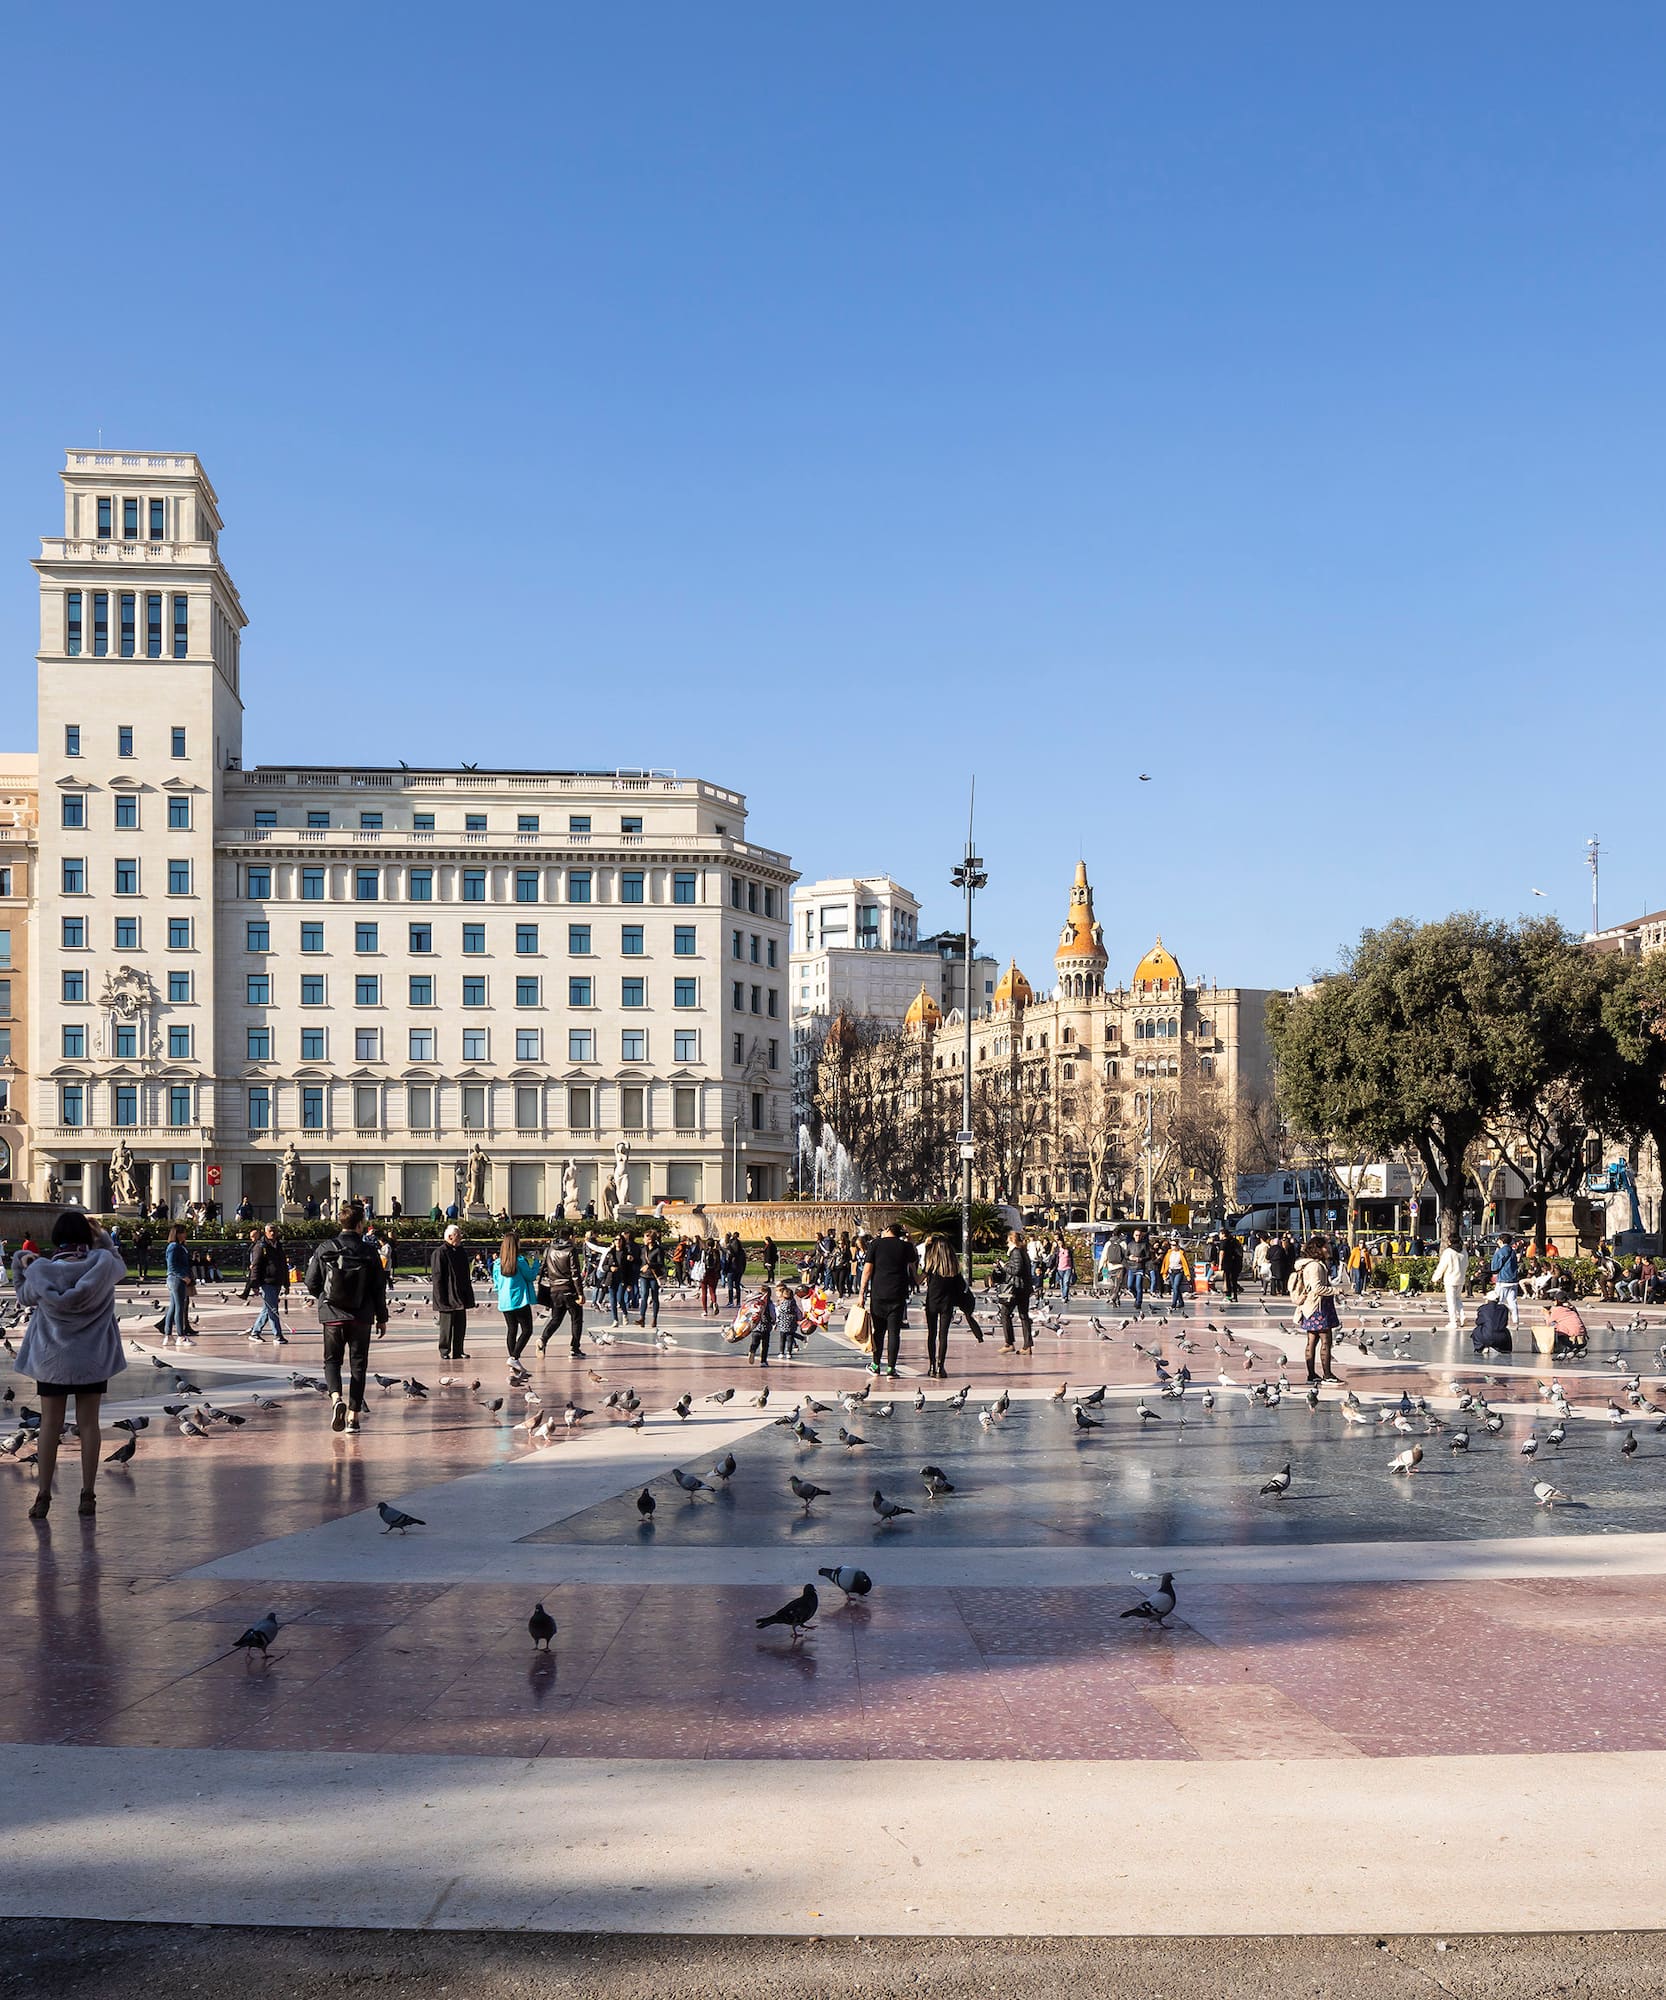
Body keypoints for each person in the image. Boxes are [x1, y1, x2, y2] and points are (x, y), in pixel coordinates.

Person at [14, 1213, 127, 1520]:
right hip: (91, 1358)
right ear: (87, 1238)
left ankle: (43, 1495)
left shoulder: (41, 1271)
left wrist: (22, 1261)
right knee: (89, 1424)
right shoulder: (103, 1266)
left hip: (52, 1360)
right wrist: (102, 1236)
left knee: (50, 1425)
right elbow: (119, 1262)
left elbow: (23, 1296)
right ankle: (88, 1494)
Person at [304, 1201, 389, 1434]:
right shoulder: (369, 1252)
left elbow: (310, 1281)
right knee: (358, 1365)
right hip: (361, 1316)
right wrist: (382, 1317)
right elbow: (378, 1288)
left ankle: (335, 1399)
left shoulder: (325, 1248)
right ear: (360, 1225)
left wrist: (325, 1297)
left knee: (332, 1361)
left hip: (332, 1315)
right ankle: (353, 1416)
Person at [858, 1221, 918, 1378]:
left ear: (888, 1230)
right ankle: (891, 1368)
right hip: (898, 1294)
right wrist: (909, 1239)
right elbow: (914, 1262)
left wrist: (861, 1293)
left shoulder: (876, 1244)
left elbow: (867, 1271)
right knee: (894, 1333)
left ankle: (876, 1365)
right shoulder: (905, 1247)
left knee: (878, 1331)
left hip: (879, 1293)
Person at [921, 1233, 979, 1378]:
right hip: (947, 1305)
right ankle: (941, 1367)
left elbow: (919, 1277)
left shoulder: (931, 1267)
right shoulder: (953, 1269)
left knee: (931, 1334)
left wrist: (928, 1245)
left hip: (932, 1303)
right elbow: (961, 1288)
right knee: (943, 1335)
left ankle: (932, 1366)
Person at [1290, 1235, 1340, 1385]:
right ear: (1318, 1249)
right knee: (1326, 1340)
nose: (1328, 1248)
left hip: (1309, 1308)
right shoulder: (1315, 1266)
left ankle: (1312, 1375)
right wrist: (1336, 1291)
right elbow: (1317, 1288)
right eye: (1325, 1246)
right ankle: (1327, 1375)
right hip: (1318, 1307)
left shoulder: (1307, 1265)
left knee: (1312, 1340)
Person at [491, 1229, 540, 1361]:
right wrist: (536, 1262)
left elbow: (496, 1283)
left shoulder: (497, 1264)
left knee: (511, 1330)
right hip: (519, 1300)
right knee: (527, 1330)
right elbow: (530, 1276)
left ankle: (513, 1360)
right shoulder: (520, 1261)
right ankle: (514, 1357)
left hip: (505, 1301)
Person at [430, 1223, 475, 1361]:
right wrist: (440, 1298)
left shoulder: (460, 1251)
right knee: (446, 1326)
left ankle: (458, 1350)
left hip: (460, 1294)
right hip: (447, 1295)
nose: (460, 1237)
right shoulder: (440, 1253)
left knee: (460, 1325)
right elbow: (437, 1277)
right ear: (450, 1236)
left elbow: (466, 1273)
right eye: (458, 1235)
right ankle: (444, 1349)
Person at [539, 1228, 585, 1355]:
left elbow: (544, 1268)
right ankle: (574, 1347)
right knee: (576, 1318)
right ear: (570, 1236)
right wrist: (580, 1293)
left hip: (554, 1289)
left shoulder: (550, 1249)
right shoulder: (571, 1250)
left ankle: (543, 1338)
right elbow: (575, 1273)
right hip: (569, 1289)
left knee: (556, 1319)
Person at [244, 1223, 289, 1343]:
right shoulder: (261, 1246)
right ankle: (277, 1335)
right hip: (266, 1282)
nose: (273, 1233)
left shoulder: (278, 1246)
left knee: (267, 1308)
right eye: (270, 1231)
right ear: (265, 1232)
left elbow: (283, 1265)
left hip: (277, 1281)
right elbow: (255, 1266)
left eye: (274, 1231)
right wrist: (254, 1284)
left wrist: (287, 1283)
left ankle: (255, 1332)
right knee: (273, 1309)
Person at [994, 1229, 1035, 1352]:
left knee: (1005, 1314)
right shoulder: (1022, 1251)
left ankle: (1009, 1343)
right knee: (1023, 1315)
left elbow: (1016, 1270)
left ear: (1012, 1240)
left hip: (1016, 1289)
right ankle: (1027, 1345)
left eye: (1008, 1241)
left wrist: (1003, 1265)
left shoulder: (1016, 1252)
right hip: (1023, 1288)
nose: (1007, 1244)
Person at [162, 1222, 194, 1346]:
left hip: (175, 1279)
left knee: (174, 1307)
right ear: (178, 1234)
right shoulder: (174, 1247)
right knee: (180, 1307)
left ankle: (168, 1335)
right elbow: (172, 1265)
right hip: (176, 1279)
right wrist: (183, 1277)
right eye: (183, 1232)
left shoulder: (179, 1246)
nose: (185, 1234)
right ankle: (181, 1335)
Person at [1432, 1239, 1467, 1334]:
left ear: (1450, 1242)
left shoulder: (1448, 1252)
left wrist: (1435, 1278)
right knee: (1458, 1299)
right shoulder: (1464, 1251)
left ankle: (1453, 1321)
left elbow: (1442, 1266)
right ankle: (1462, 1315)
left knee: (1451, 1301)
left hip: (1450, 1279)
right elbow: (1466, 1265)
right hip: (1461, 1279)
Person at [1490, 1234, 1522, 1327]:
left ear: (1500, 1241)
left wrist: (1496, 1253)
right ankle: (1515, 1320)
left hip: (1503, 1280)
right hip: (1513, 1280)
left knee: (1499, 1301)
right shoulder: (1512, 1251)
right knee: (1512, 1301)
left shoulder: (1501, 1251)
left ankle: (1498, 1320)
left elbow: (1495, 1266)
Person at [637, 1234, 664, 1330]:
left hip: (654, 1276)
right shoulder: (643, 1249)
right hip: (644, 1276)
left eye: (645, 1237)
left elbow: (660, 1264)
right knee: (644, 1296)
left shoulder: (658, 1249)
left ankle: (654, 1318)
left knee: (654, 1297)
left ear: (650, 1239)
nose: (643, 1239)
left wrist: (649, 1265)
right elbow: (639, 1260)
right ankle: (642, 1318)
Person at [1161, 1237, 1192, 1314]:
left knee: (1175, 1287)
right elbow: (1165, 1264)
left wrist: (1187, 1275)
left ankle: (1173, 1304)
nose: (1173, 1246)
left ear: (1178, 1245)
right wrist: (1165, 1273)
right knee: (1175, 1288)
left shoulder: (1181, 1253)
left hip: (1179, 1271)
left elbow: (1185, 1264)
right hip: (1171, 1272)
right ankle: (1181, 1302)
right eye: (1171, 1245)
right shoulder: (1169, 1253)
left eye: (1174, 1245)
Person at [1126, 1227, 1152, 1317]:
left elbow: (1148, 1256)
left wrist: (1140, 1259)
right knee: (1130, 1286)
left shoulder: (1144, 1245)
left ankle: (1138, 1302)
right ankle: (1137, 1297)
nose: (1138, 1237)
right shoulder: (1130, 1244)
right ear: (1133, 1235)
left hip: (1140, 1267)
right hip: (1131, 1267)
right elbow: (1126, 1255)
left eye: (1139, 1235)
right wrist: (1129, 1257)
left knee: (1138, 1286)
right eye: (1136, 1235)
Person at [1097, 1232, 1127, 1303]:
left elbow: (1104, 1257)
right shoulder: (1123, 1243)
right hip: (1120, 1267)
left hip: (1111, 1267)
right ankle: (1115, 1297)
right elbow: (1126, 1256)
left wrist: (1100, 1268)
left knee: (1114, 1284)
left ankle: (1114, 1298)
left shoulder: (1108, 1243)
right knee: (1118, 1284)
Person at [1218, 1230, 1243, 1304]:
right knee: (1234, 1280)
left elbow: (1221, 1253)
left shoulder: (1224, 1242)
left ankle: (1228, 1296)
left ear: (1223, 1234)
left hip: (1226, 1263)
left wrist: (1220, 1264)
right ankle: (1235, 1296)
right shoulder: (1234, 1241)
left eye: (1220, 1234)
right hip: (1235, 1262)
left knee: (1227, 1280)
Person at [1055, 1236, 1075, 1304]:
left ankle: (1065, 1297)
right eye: (1059, 1243)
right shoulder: (1057, 1250)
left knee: (1066, 1282)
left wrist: (1073, 1268)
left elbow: (1072, 1259)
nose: (1060, 1244)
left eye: (1061, 1243)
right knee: (1061, 1284)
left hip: (1068, 1268)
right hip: (1060, 1268)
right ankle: (1063, 1295)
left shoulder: (1068, 1250)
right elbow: (1054, 1260)